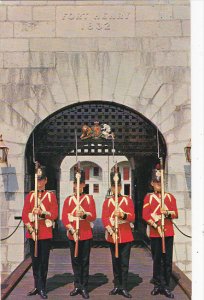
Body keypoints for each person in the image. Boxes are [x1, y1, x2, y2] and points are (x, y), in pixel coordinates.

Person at [22, 165, 58, 299]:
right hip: (33, 233)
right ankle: (37, 285)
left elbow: (54, 214)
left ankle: (42, 287)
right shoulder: (30, 196)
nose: (39, 182)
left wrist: (41, 213)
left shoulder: (50, 196)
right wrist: (30, 229)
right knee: (35, 261)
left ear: (46, 180)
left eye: (41, 179)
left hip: (45, 233)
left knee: (43, 261)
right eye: (37, 179)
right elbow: (25, 214)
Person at [142, 163, 178, 299]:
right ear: (152, 183)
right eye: (156, 183)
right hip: (155, 232)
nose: (159, 185)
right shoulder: (148, 197)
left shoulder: (169, 197)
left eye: (161, 183)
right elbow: (145, 214)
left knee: (167, 259)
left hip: (168, 231)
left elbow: (175, 213)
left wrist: (167, 212)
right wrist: (156, 223)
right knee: (157, 259)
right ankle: (157, 284)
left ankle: (166, 285)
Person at [62, 167, 96, 299]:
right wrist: (70, 228)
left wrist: (84, 215)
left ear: (84, 184)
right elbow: (65, 217)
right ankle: (77, 285)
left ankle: (84, 286)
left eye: (80, 183)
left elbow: (93, 216)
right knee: (75, 261)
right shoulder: (69, 200)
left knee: (84, 260)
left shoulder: (89, 199)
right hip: (73, 234)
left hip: (86, 234)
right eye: (75, 184)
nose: (77, 186)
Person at [102, 168, 135, 298]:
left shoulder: (127, 200)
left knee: (124, 263)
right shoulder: (108, 202)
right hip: (113, 235)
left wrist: (122, 215)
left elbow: (132, 217)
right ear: (111, 187)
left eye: (119, 186)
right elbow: (104, 218)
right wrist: (111, 230)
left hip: (126, 234)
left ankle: (124, 286)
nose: (116, 188)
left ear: (121, 187)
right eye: (114, 186)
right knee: (115, 262)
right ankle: (117, 285)